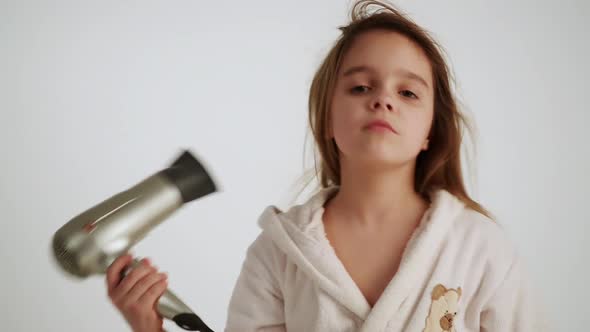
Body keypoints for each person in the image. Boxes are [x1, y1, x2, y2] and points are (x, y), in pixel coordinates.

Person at [105, 1, 549, 331]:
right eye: (359, 87)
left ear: (430, 131)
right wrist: (149, 327)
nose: (383, 98)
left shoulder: (480, 248)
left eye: (408, 93)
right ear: (328, 118)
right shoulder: (279, 254)